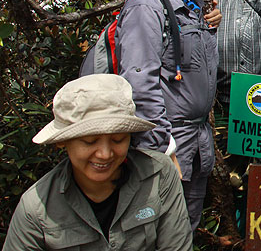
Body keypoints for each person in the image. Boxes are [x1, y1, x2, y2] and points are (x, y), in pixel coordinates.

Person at [3, 74, 192, 250]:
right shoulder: (35, 208)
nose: (104, 154)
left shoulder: (159, 175)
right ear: (62, 142)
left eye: (118, 139)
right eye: (89, 141)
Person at [116, 0, 218, 231]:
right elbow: (138, 82)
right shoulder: (147, 5)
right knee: (150, 231)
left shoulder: (195, 7)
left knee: (183, 229)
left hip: (197, 145)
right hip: (166, 146)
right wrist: (162, 149)